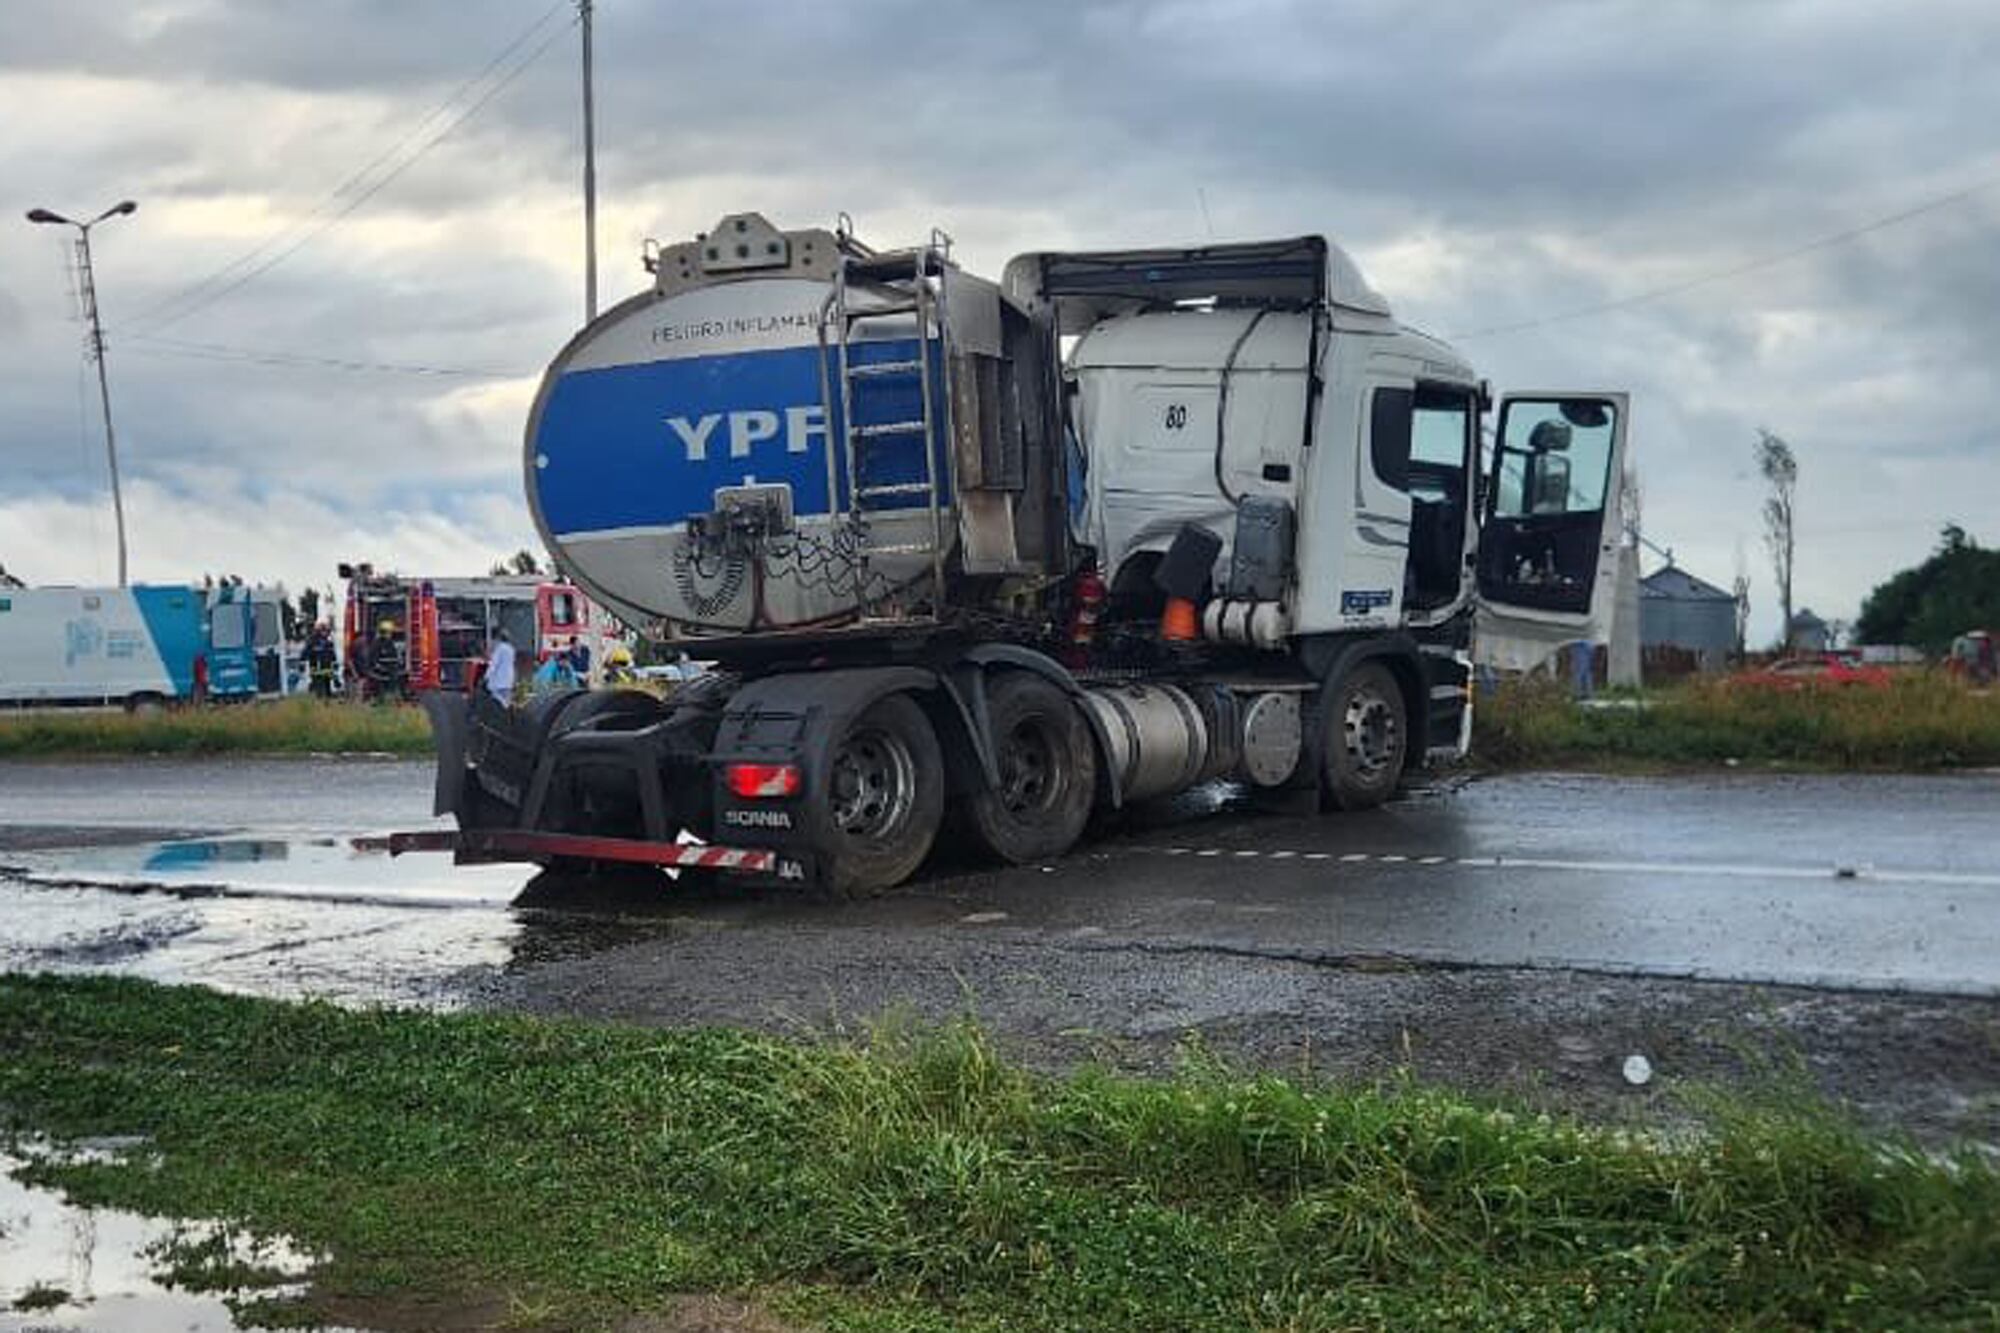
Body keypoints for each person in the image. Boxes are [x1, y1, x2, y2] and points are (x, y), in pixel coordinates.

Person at [304, 623, 338, 699]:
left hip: (326, 667)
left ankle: (327, 696)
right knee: (317, 682)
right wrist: (303, 661)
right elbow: (306, 652)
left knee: (327, 682)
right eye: (325, 631)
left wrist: (335, 663)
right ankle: (317, 694)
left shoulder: (329, 643)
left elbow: (332, 654)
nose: (327, 634)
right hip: (316, 667)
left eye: (328, 632)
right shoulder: (312, 641)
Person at [484, 628, 517, 705]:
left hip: (498, 680)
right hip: (508, 679)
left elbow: (494, 664)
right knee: (507, 699)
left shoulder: (500, 649)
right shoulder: (511, 649)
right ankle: (508, 711)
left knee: (497, 698)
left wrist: (487, 676)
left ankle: (504, 709)